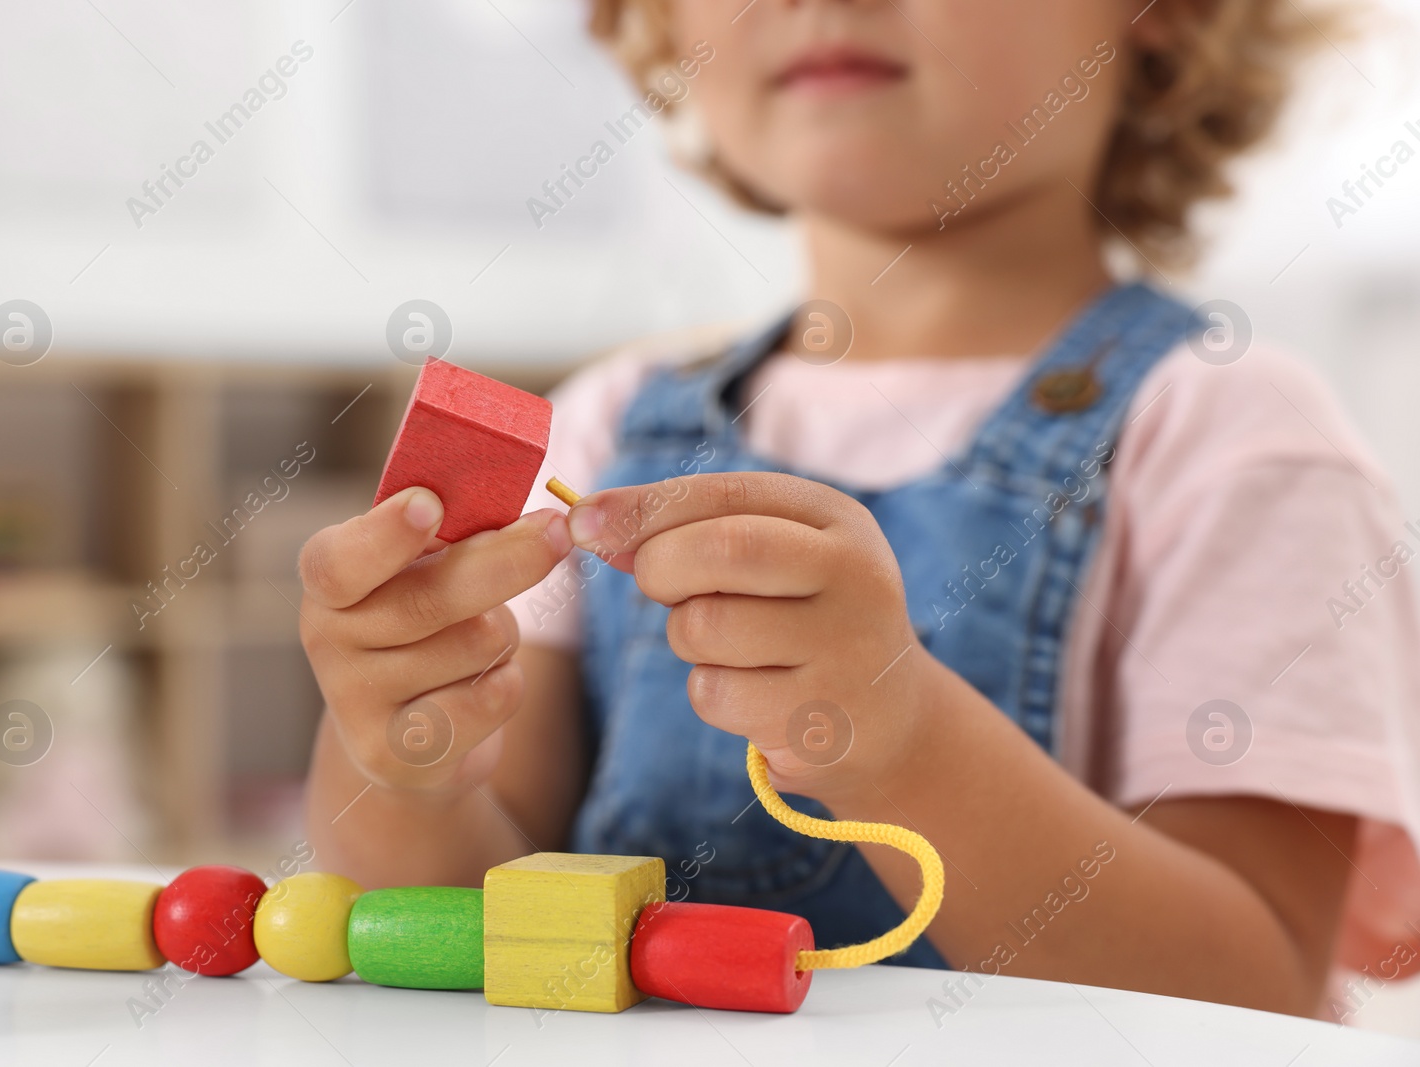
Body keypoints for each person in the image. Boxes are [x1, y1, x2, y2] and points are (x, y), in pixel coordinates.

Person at [299, 0, 1420, 1017]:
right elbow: (476, 937)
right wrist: (400, 760)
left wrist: (902, 741)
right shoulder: (599, 424)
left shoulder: (1237, 445)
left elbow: (1253, 995)